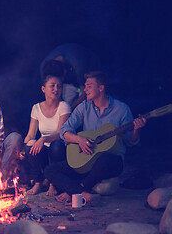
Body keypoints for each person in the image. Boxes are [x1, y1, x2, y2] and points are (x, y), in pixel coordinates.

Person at [44, 71, 146, 203]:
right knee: (50, 170)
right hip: (87, 160)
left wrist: (136, 129)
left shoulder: (122, 109)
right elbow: (65, 129)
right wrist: (79, 140)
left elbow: (130, 142)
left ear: (101, 88)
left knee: (105, 159)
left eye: (89, 86)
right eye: (85, 86)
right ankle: (84, 193)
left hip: (110, 163)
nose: (84, 90)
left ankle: (76, 190)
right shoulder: (84, 107)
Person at [23, 73, 71, 195]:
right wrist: (25, 148)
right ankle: (38, 182)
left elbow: (61, 133)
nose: (56, 89)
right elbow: (31, 134)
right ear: (43, 89)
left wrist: (43, 139)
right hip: (44, 148)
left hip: (60, 148)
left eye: (59, 86)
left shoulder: (64, 106)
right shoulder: (36, 108)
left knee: (56, 145)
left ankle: (53, 184)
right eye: (52, 86)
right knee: (30, 144)